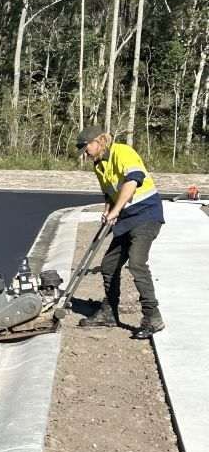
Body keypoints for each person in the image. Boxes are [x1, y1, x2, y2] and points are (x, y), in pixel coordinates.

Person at [75, 123, 165, 340]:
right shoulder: (98, 165)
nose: (85, 153)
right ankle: (109, 312)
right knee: (109, 265)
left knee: (136, 263)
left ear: (98, 142)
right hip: (125, 218)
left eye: (86, 147)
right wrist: (108, 212)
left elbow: (132, 181)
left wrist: (115, 211)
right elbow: (110, 193)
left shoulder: (123, 152)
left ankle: (153, 317)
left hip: (146, 215)